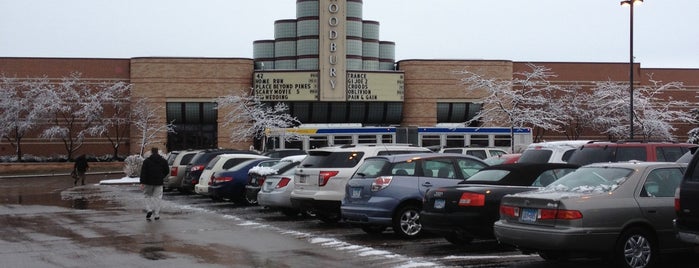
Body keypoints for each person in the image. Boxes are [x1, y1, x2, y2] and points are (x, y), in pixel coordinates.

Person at [139, 147, 169, 221]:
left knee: (147, 196)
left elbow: (143, 172)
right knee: (158, 198)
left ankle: (149, 209)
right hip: (159, 182)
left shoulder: (146, 161)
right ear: (158, 152)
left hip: (148, 182)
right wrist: (161, 176)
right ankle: (157, 214)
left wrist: (142, 182)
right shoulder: (163, 161)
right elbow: (167, 170)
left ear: (151, 152)